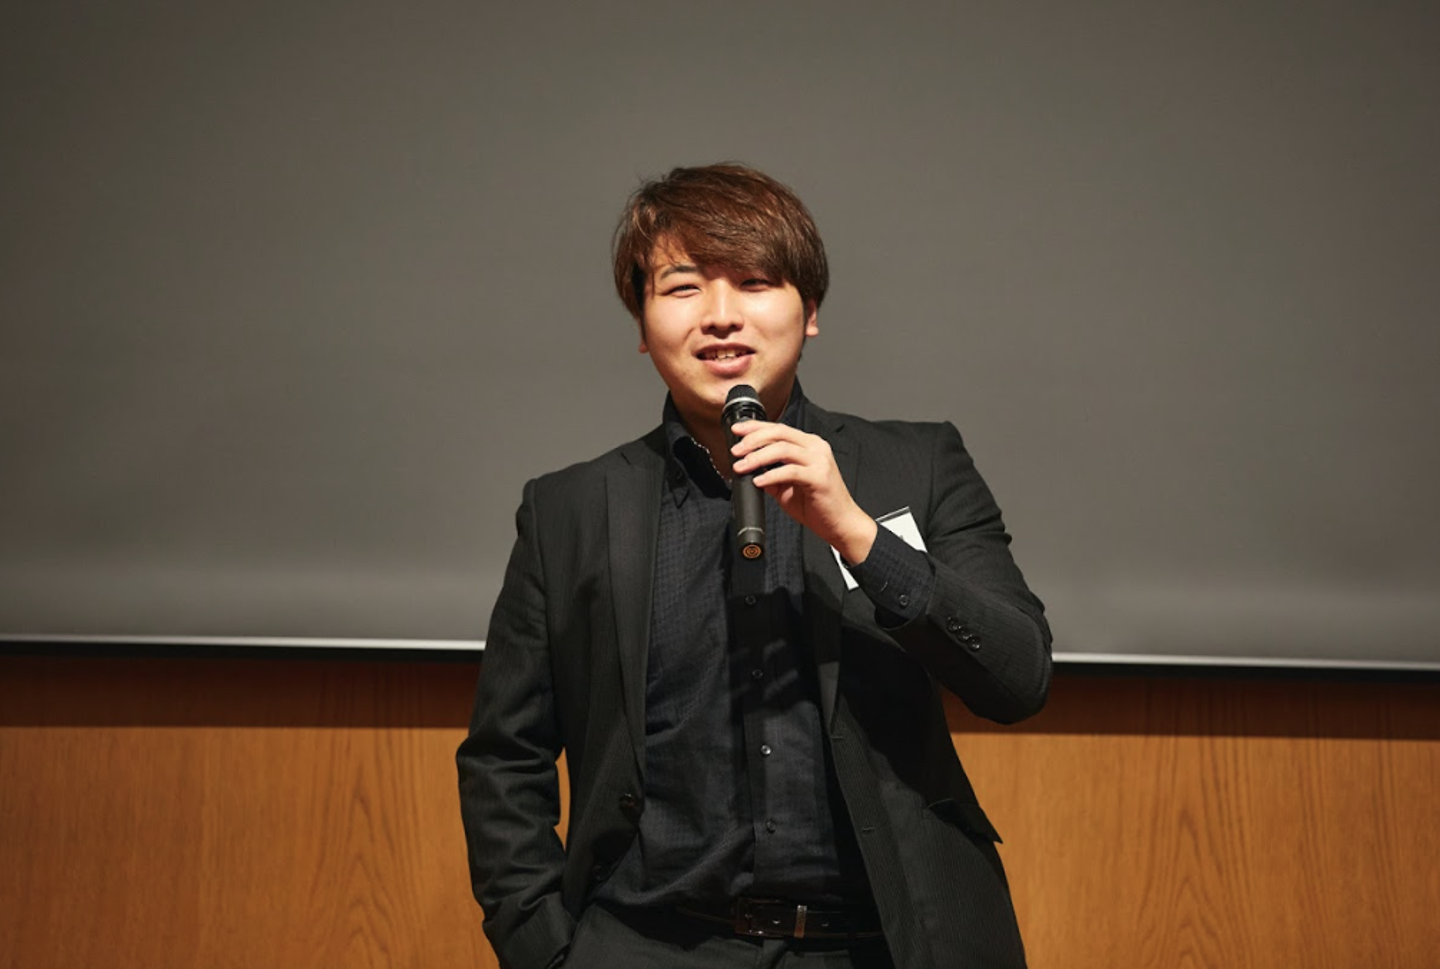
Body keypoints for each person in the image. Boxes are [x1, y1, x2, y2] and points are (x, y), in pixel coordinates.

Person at [457, 163, 1052, 969]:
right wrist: (547, 950)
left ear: (811, 311)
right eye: (682, 287)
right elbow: (505, 756)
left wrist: (859, 534)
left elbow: (1019, 678)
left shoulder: (919, 466)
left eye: (755, 281)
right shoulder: (569, 509)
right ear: (641, 323)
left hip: (885, 947)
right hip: (652, 945)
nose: (721, 315)